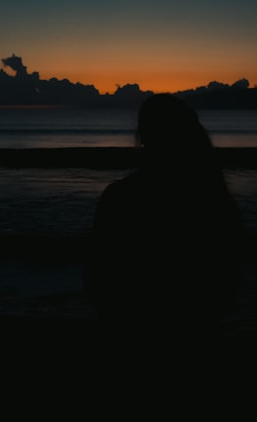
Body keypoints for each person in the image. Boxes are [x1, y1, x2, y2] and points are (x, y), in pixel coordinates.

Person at [84, 93, 243, 333]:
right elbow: (226, 277)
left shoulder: (121, 196)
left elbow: (99, 275)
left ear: (144, 137)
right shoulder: (212, 196)